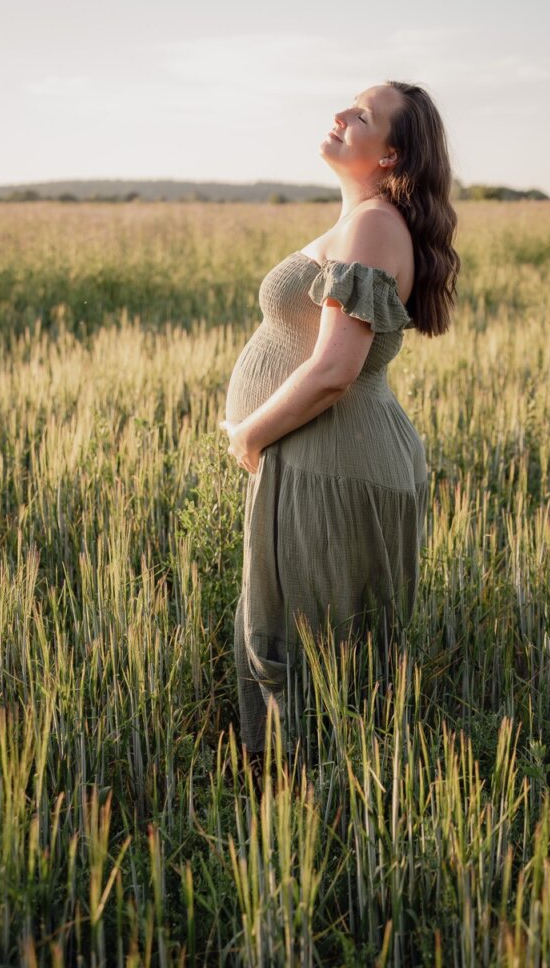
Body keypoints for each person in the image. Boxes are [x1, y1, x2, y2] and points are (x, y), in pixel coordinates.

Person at [220, 81, 460, 759]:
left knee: (314, 661)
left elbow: (333, 371)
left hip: (333, 468)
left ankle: (319, 826)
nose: (342, 114)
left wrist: (250, 433)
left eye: (363, 115)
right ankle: (310, 821)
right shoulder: (364, 222)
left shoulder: (374, 227)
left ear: (390, 155)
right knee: (314, 655)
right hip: (322, 463)